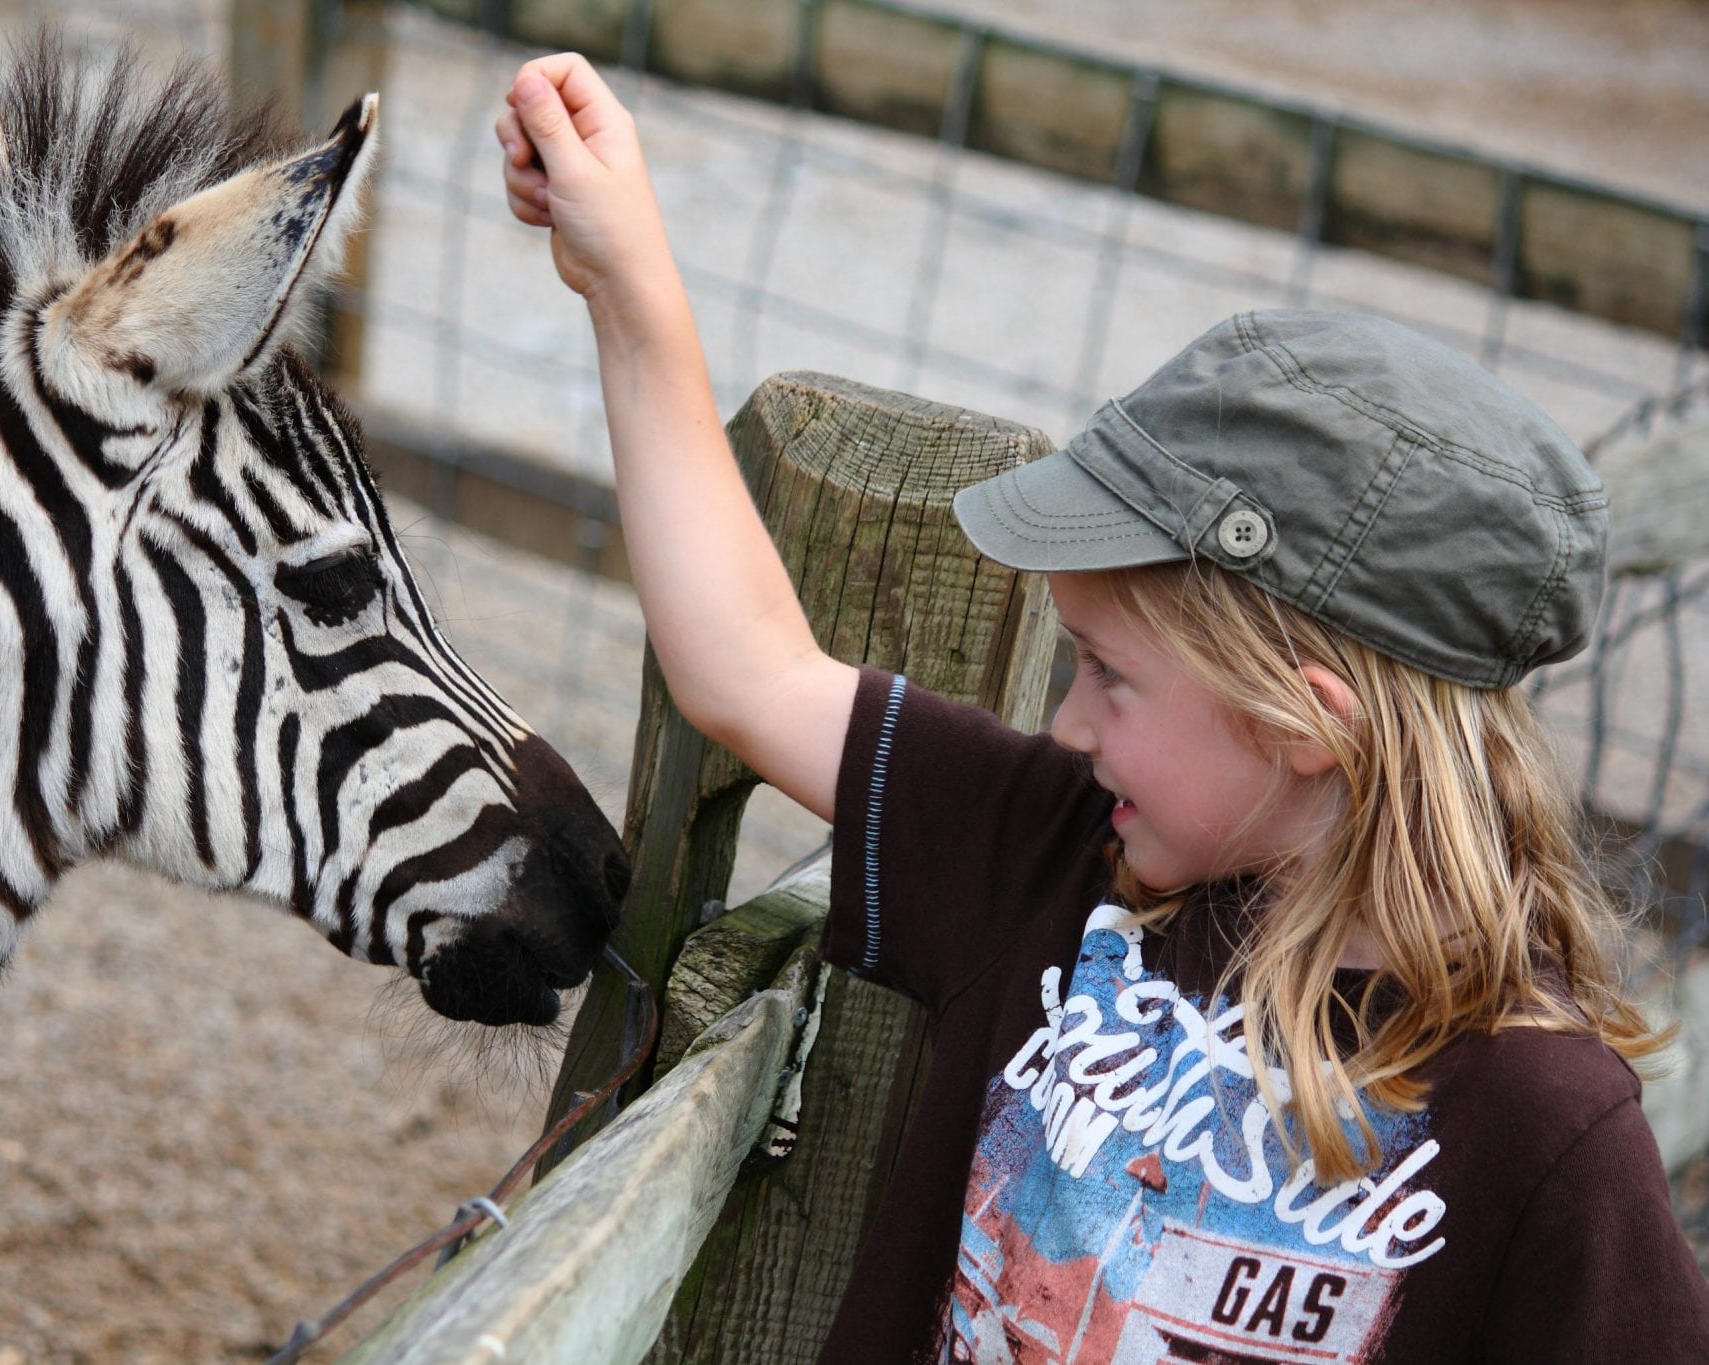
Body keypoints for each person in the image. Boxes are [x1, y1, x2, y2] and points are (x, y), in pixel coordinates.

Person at [496, 53, 1709, 1363]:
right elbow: (748, 671)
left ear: (1306, 723)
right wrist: (627, 280)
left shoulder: (1543, 1125)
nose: (1070, 725)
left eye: (1110, 674)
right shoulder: (1050, 855)